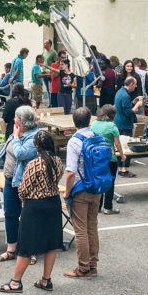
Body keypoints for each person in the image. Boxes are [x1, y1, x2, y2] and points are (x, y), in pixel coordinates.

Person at [0, 130, 64, 293]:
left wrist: (23, 198)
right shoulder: (58, 162)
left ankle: (15, 282)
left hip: (35, 206)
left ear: (37, 147)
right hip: (53, 204)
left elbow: (23, 188)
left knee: (26, 245)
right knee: (51, 244)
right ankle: (45, 280)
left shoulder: (34, 164)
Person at [0, 105, 39, 263]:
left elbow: (21, 153)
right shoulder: (16, 132)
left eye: (16, 118)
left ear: (21, 122)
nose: (13, 120)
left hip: (26, 182)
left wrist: (17, 137)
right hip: (10, 180)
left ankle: (30, 251)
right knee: (10, 213)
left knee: (27, 216)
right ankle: (11, 248)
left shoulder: (34, 137)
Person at [62, 107, 102, 278]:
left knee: (80, 230)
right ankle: (93, 264)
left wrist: (66, 193)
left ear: (74, 121)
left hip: (80, 189)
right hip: (97, 187)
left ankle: (83, 267)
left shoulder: (74, 141)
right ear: (89, 121)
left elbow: (70, 172)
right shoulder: (96, 137)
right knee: (92, 227)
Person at [91, 104, 124, 215]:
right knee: (110, 182)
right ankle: (108, 207)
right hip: (110, 157)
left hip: (96, 157)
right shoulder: (112, 126)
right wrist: (122, 155)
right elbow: (117, 143)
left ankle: (97, 205)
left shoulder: (94, 124)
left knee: (99, 181)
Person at [113, 77, 143, 178]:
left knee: (120, 146)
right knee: (126, 146)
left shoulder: (120, 92)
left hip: (119, 122)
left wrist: (133, 102)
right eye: (135, 84)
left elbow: (124, 106)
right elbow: (128, 112)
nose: (136, 86)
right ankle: (124, 168)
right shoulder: (125, 95)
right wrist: (137, 105)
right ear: (130, 84)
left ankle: (121, 167)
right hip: (124, 124)